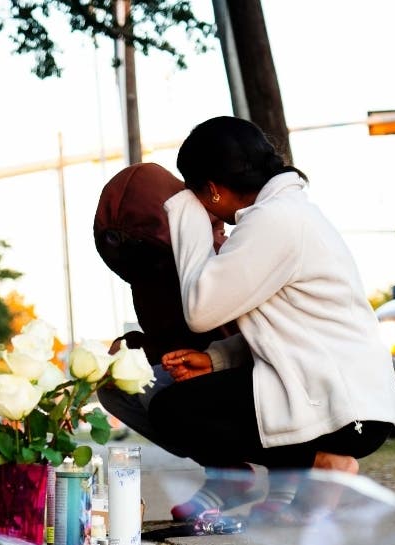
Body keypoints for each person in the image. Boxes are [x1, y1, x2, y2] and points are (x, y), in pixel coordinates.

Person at [148, 116, 395, 503]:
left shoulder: (275, 221)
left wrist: (185, 211)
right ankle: (308, 484)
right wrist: (216, 359)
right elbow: (291, 328)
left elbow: (200, 309)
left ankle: (324, 464)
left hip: (346, 411)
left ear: (213, 190)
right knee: (186, 401)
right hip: (350, 401)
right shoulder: (287, 214)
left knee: (172, 411)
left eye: (197, 192)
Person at [93, 162, 289, 521]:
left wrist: (213, 361)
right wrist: (134, 352)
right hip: (200, 372)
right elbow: (170, 337)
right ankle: (227, 472)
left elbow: (265, 338)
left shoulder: (228, 250)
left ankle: (288, 477)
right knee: (114, 383)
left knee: (255, 381)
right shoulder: (149, 275)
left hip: (256, 374)